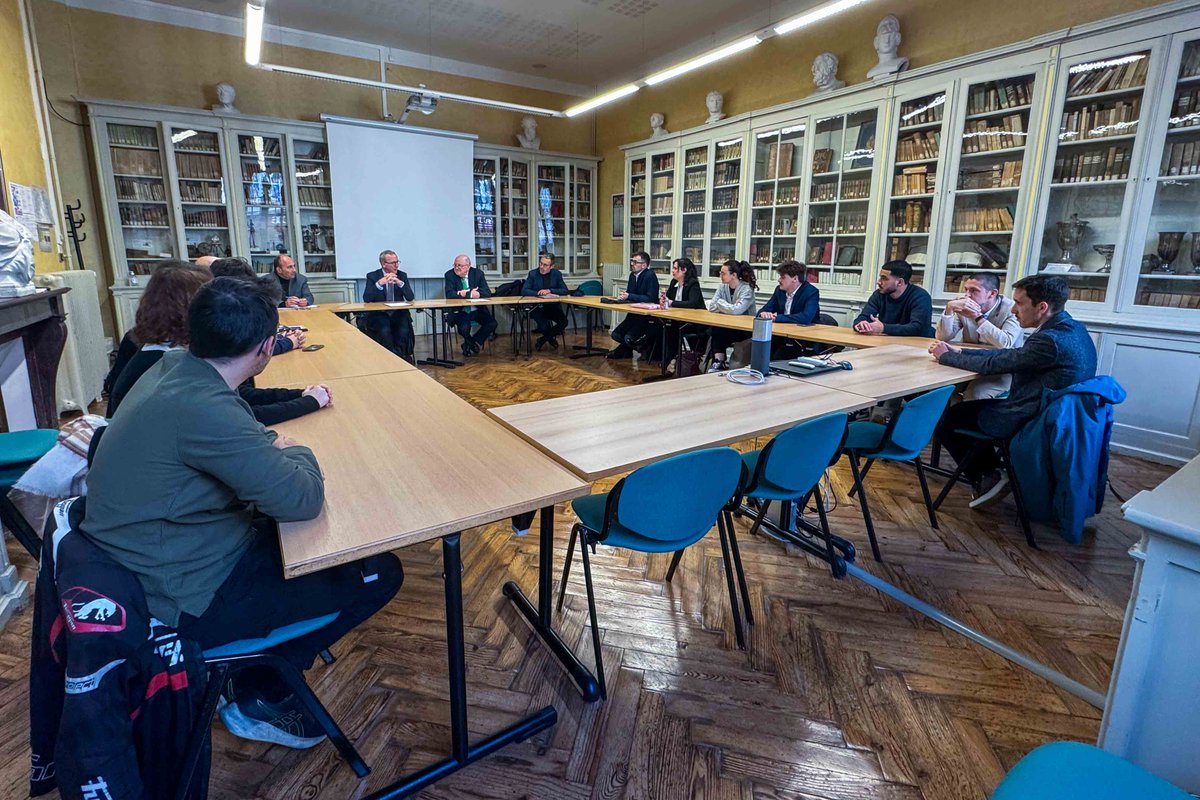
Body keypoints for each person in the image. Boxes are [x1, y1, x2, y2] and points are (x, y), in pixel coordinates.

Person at [86, 277, 402, 749]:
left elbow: (247, 439)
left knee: (295, 540)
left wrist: (268, 445)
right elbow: (301, 499)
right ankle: (260, 688)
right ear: (264, 349)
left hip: (153, 560)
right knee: (380, 571)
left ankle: (254, 672)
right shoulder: (202, 406)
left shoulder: (174, 368)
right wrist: (296, 449)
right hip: (181, 596)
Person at [930, 274, 1097, 508]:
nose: (1014, 310)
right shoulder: (1071, 328)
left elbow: (998, 363)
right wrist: (960, 353)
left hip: (1032, 415)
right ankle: (995, 471)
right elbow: (1009, 356)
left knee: (948, 420)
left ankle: (990, 475)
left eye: (1019, 303)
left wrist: (947, 356)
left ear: (1042, 307)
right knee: (964, 411)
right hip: (1054, 413)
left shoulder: (1050, 341)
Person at [107, 260, 331, 425]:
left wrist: (301, 395)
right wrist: (308, 402)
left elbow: (237, 398)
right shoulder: (170, 366)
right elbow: (236, 416)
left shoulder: (170, 353)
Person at [936, 272, 1024, 400]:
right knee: (939, 388)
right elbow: (943, 337)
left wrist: (977, 317)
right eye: (966, 289)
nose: (967, 295)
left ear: (992, 293)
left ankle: (971, 419)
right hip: (968, 363)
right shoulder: (963, 305)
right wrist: (949, 310)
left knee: (976, 393)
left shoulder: (1011, 309)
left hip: (1001, 369)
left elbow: (1005, 342)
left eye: (973, 291)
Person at [212, 256, 305, 354]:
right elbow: (254, 350)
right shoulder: (236, 309)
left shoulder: (210, 305)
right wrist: (289, 342)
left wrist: (279, 336)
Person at [758, 260, 821, 358]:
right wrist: (764, 314)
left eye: (783, 277)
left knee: (776, 356)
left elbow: (806, 317)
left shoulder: (811, 292)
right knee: (759, 349)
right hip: (782, 335)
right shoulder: (779, 290)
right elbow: (764, 310)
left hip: (803, 338)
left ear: (795, 279)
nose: (779, 280)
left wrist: (777, 318)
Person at [853, 260, 933, 337]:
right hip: (887, 342)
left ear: (899, 282)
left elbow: (917, 328)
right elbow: (863, 316)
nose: (879, 282)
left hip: (918, 345)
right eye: (880, 277)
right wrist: (861, 323)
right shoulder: (879, 294)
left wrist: (884, 328)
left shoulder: (921, 297)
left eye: (884, 278)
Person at [705, 259, 757, 371]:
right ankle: (719, 362)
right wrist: (727, 306)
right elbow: (711, 307)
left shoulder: (747, 289)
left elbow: (736, 310)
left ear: (733, 275)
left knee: (717, 331)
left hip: (745, 329)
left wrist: (720, 303)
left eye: (723, 273)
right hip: (728, 326)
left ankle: (719, 361)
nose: (720, 276)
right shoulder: (722, 287)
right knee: (715, 329)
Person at [363, 250, 415, 359]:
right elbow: (367, 298)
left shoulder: (402, 275)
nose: (396, 265)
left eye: (397, 262)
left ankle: (398, 356)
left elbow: (410, 297)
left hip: (398, 312)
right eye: (393, 263)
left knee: (403, 329)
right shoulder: (372, 276)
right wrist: (379, 284)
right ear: (383, 264)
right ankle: (392, 356)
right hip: (379, 313)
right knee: (384, 330)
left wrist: (400, 283)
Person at [607, 250, 660, 359]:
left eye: (636, 262)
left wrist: (630, 296)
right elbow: (630, 292)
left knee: (628, 338)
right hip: (634, 313)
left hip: (645, 316)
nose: (632, 264)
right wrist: (623, 297)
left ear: (644, 265)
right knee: (615, 334)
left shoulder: (650, 276)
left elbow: (650, 298)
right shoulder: (632, 275)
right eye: (632, 261)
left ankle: (641, 348)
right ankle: (628, 350)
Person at [443, 253, 497, 357]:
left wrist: (469, 293)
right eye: (455, 265)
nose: (457, 268)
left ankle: (472, 343)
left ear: (468, 266)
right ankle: (472, 344)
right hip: (460, 311)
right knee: (464, 327)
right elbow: (449, 294)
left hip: (477, 310)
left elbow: (487, 292)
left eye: (460, 265)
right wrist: (469, 294)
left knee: (492, 323)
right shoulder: (449, 275)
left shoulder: (478, 274)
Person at [656, 257, 705, 367]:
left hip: (695, 322)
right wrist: (663, 300)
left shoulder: (693, 284)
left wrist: (672, 302)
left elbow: (691, 304)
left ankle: (670, 358)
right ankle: (667, 357)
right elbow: (668, 299)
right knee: (664, 327)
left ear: (683, 270)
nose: (672, 271)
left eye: (675, 268)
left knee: (672, 329)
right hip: (679, 319)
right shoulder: (674, 282)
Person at [522, 252, 569, 350]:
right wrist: (539, 293)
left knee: (564, 322)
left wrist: (550, 290)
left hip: (551, 306)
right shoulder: (533, 274)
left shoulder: (557, 274)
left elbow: (565, 290)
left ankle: (542, 340)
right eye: (540, 263)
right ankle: (550, 339)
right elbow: (524, 290)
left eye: (545, 265)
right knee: (543, 325)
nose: (541, 266)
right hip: (536, 307)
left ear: (551, 266)